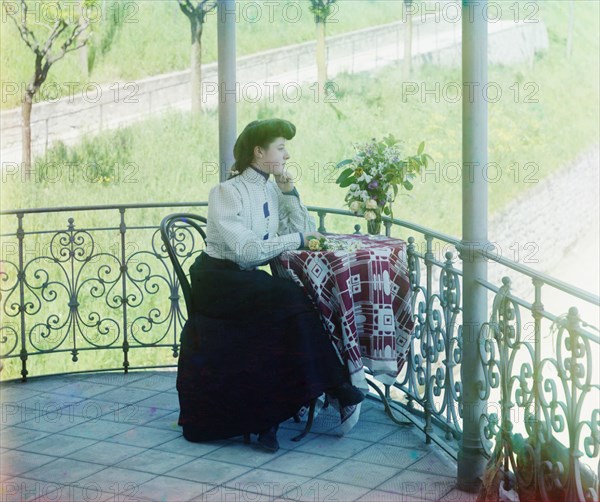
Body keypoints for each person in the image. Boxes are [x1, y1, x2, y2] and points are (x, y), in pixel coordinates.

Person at [176, 118, 364, 452]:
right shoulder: (226, 192)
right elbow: (247, 250)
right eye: (280, 147)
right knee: (287, 294)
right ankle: (334, 383)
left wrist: (289, 192)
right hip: (217, 281)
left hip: (245, 281)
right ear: (258, 151)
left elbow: (306, 231)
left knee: (287, 306)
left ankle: (273, 419)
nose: (287, 155)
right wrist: (298, 236)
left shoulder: (271, 190)